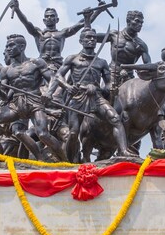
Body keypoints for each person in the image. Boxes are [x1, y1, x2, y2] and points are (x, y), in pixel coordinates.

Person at [45, 29, 131, 162]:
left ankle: (124, 151)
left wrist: (110, 88)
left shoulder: (101, 62)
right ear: (81, 41)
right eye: (88, 38)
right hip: (78, 97)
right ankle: (69, 160)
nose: (91, 40)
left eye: (93, 38)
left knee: (115, 119)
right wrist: (67, 87)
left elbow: (108, 82)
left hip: (96, 96)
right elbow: (58, 75)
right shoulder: (72, 59)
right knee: (73, 133)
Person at [0, 34, 66, 161]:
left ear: (22, 47)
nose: (8, 49)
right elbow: (4, 97)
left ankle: (65, 159)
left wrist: (49, 93)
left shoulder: (36, 63)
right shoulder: (6, 70)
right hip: (15, 104)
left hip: (34, 102)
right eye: (7, 46)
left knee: (43, 134)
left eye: (11, 45)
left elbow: (53, 78)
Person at [8, 0, 86, 70]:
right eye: (47, 16)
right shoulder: (38, 33)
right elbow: (26, 22)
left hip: (57, 64)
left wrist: (95, 12)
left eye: (52, 16)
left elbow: (82, 23)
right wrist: (17, 10)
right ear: (44, 20)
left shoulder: (62, 33)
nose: (49, 18)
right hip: (42, 64)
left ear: (57, 19)